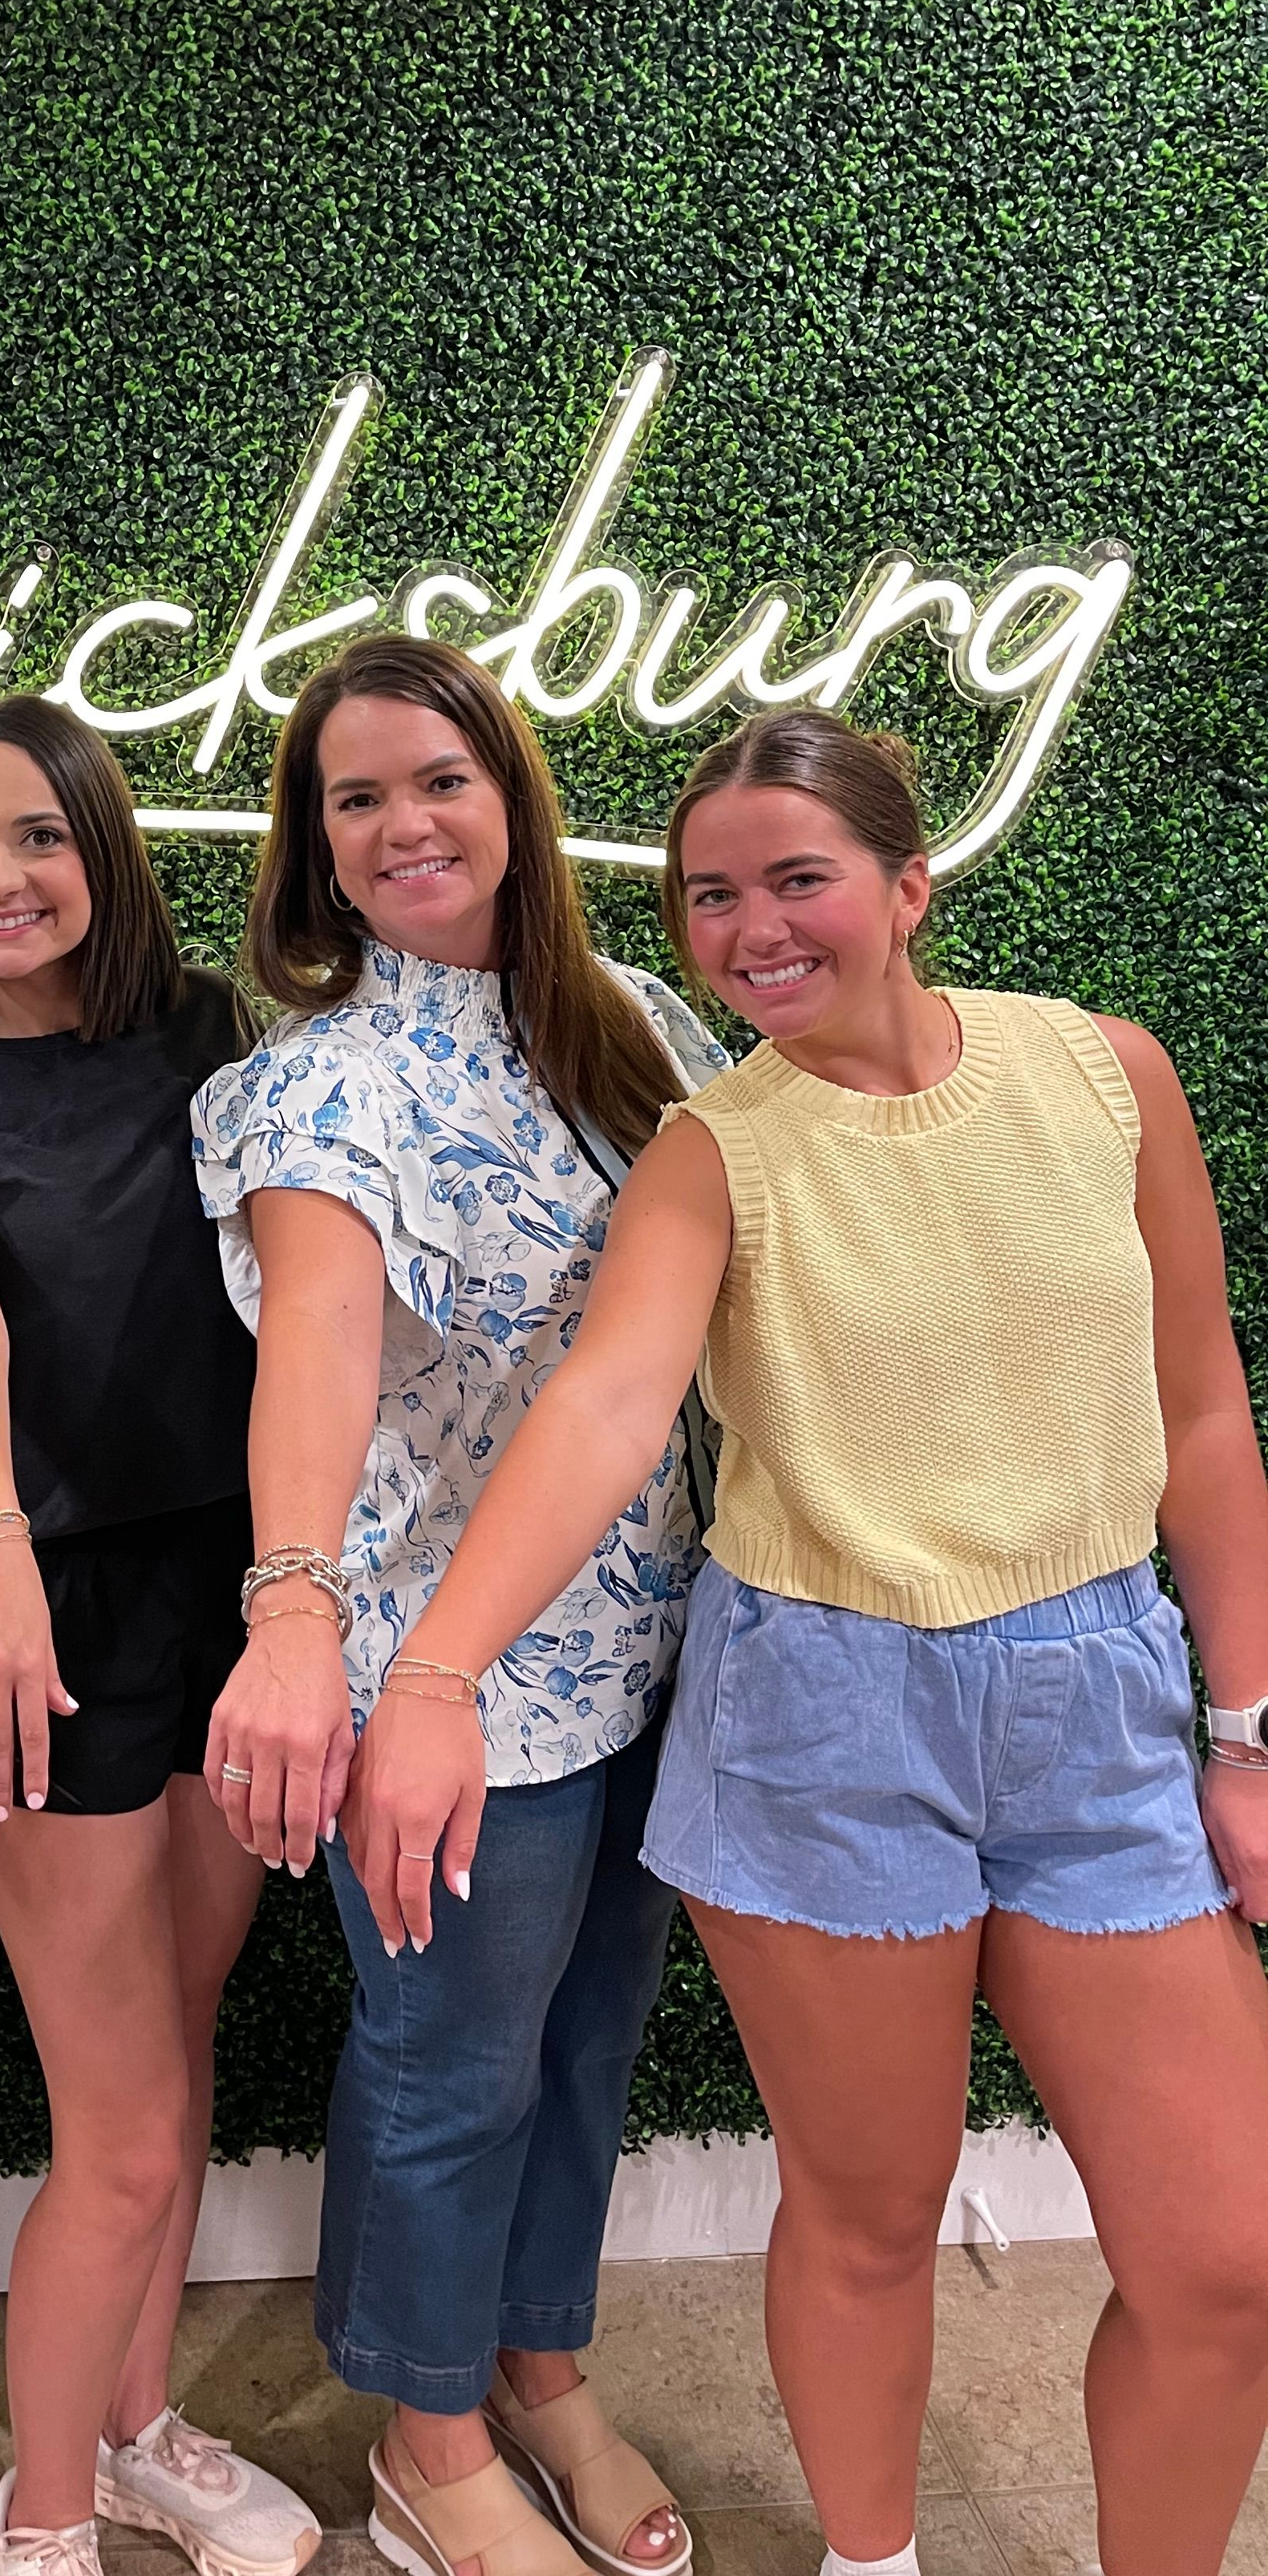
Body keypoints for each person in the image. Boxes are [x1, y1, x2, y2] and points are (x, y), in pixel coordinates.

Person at [349, 706, 1268, 2576]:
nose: (754, 928)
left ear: (910, 885)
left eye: (799, 880)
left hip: (1098, 1703)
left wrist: (1244, 1724)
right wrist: (437, 1672)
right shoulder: (712, 1150)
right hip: (823, 1713)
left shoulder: (1105, 1076)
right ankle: (877, 2563)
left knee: (1226, 2258)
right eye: (709, 897)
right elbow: (605, 1416)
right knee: (864, 2210)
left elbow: (1199, 1412)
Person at [189, 633, 712, 2576]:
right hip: (448, 1685)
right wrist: (299, 1617)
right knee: (449, 2071)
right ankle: (426, 2434)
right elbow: (314, 1341)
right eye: (357, 797)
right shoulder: (312, 1088)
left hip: (659, 1641)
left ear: (512, 798)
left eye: (438, 779)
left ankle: (537, 2362)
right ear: (315, 852)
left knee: (589, 2045)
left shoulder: (645, 1024)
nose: (405, 822)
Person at [0, 694, 321, 2576]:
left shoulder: (213, 1032)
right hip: (40, 1620)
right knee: (116, 2124)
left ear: (102, 847)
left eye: (33, 835)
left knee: (175, 2062)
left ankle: (132, 2428)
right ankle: (42, 2526)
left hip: (240, 1587)